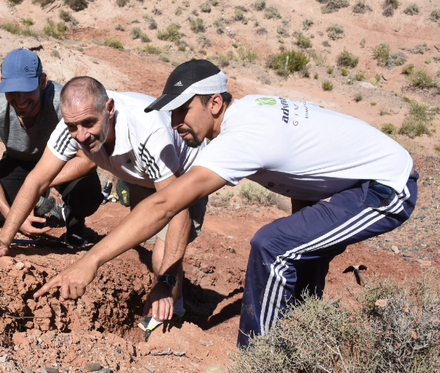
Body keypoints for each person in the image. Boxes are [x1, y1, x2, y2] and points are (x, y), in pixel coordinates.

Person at [34, 59, 418, 347]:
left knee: (273, 244)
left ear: (215, 103)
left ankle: (258, 358)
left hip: (384, 187)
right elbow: (302, 167)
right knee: (296, 243)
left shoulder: (241, 138)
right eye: (171, 111)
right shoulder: (250, 111)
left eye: (182, 110)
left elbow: (164, 205)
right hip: (359, 179)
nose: (174, 121)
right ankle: (304, 332)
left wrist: (89, 261)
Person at [0, 76, 208, 319]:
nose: (81, 135)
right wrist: (4, 239)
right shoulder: (72, 127)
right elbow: (36, 180)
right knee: (153, 241)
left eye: (89, 123)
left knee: (161, 257)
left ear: (109, 108)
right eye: (73, 126)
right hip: (141, 174)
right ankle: (171, 298)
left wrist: (166, 282)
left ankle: (173, 316)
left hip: (184, 175)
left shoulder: (148, 131)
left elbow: (176, 209)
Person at [0, 48, 103, 246]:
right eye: (12, 91)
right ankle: (40, 212)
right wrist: (12, 214)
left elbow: (89, 161)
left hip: (61, 161)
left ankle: (73, 220)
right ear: (1, 82)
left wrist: (39, 186)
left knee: (87, 193)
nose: (20, 99)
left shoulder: (64, 104)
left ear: (42, 82)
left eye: (27, 90)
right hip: (19, 160)